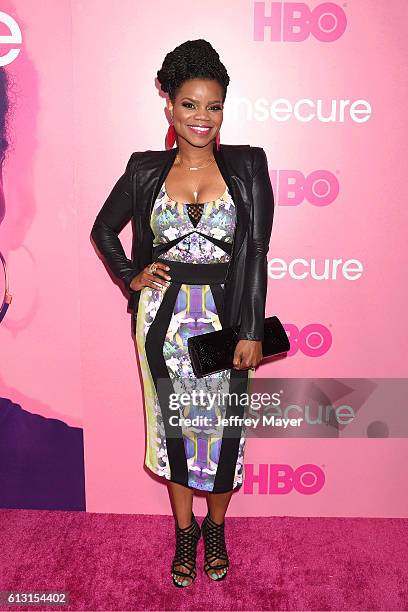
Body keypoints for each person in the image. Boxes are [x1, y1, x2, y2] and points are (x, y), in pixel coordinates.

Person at [91, 39, 274, 587]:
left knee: (223, 431)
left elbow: (258, 251)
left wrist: (250, 328)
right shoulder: (145, 169)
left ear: (224, 108)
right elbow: (103, 229)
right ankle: (184, 532)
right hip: (162, 321)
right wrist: (131, 275)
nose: (202, 118)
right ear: (169, 106)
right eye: (190, 104)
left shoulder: (247, 164)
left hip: (226, 317)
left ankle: (215, 528)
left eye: (214, 106)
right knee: (174, 428)